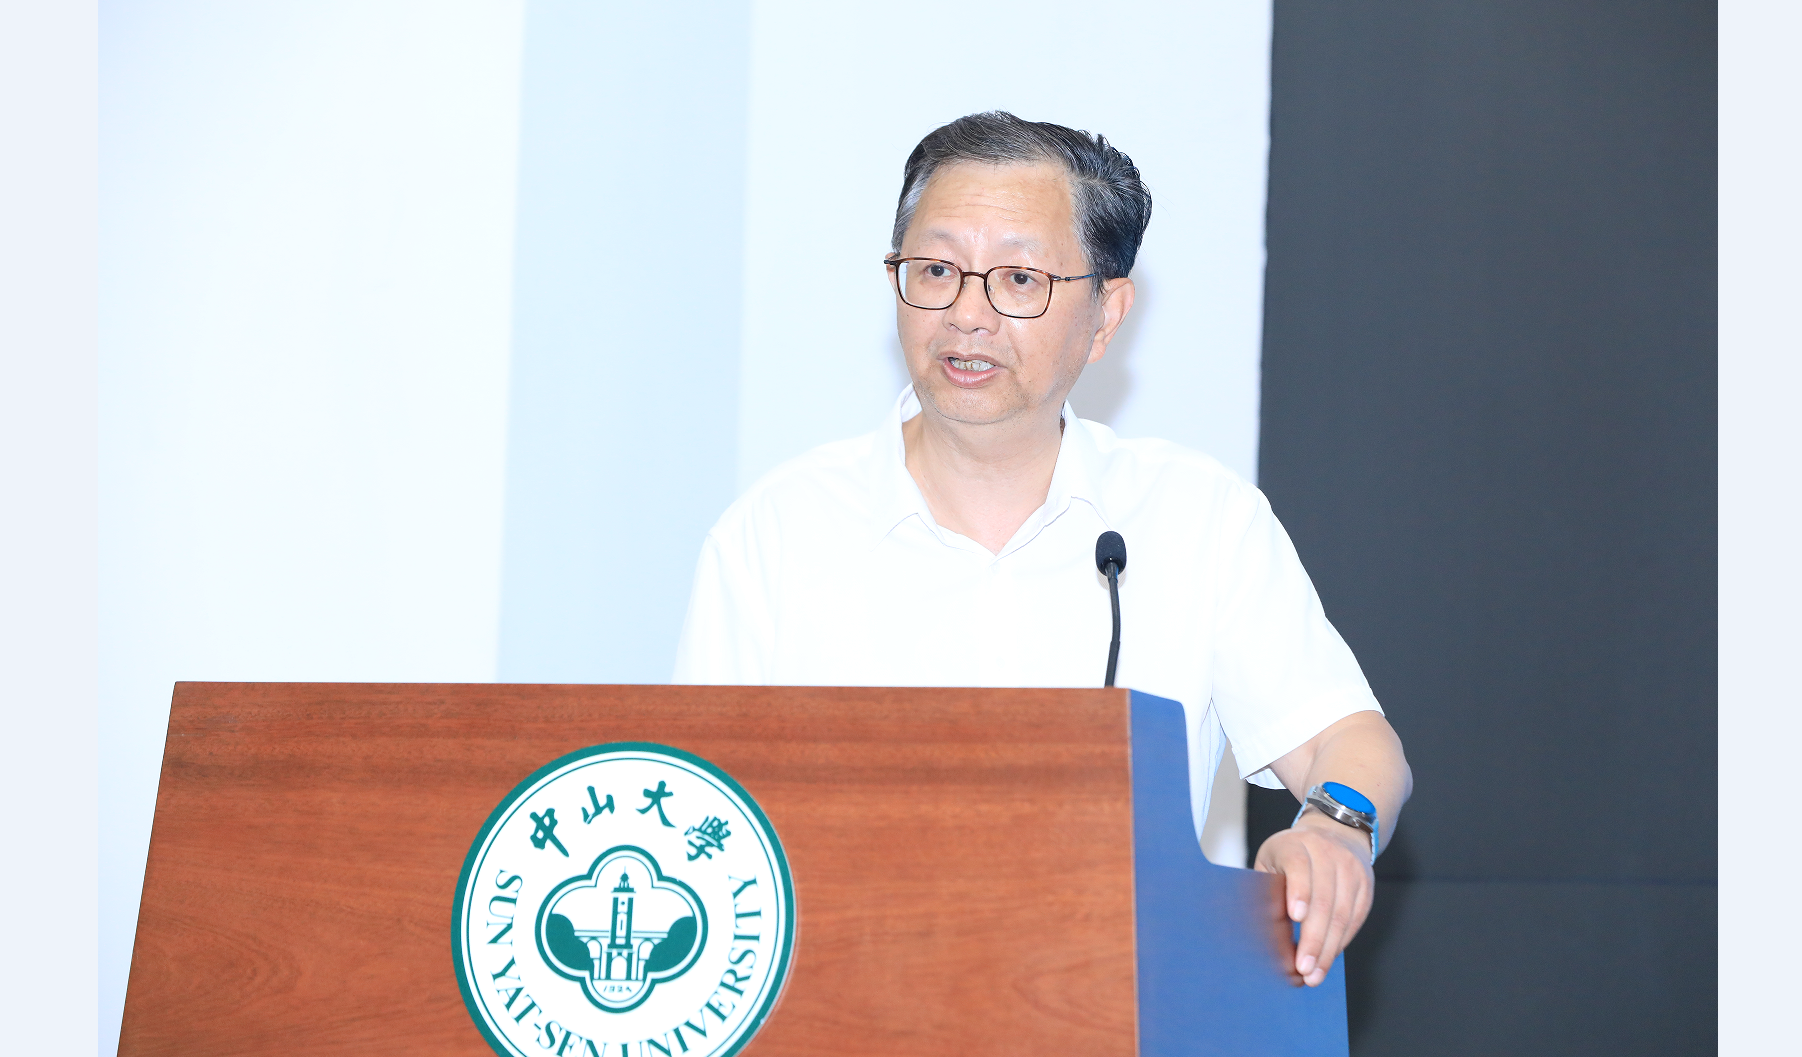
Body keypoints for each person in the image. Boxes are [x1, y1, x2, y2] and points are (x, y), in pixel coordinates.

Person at [674, 111, 1411, 988]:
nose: (967, 315)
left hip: (1125, 1005)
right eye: (936, 270)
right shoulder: (777, 532)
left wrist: (1334, 828)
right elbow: (696, 811)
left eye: (1019, 279)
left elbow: (1350, 739)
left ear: (1105, 315)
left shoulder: (1196, 518)